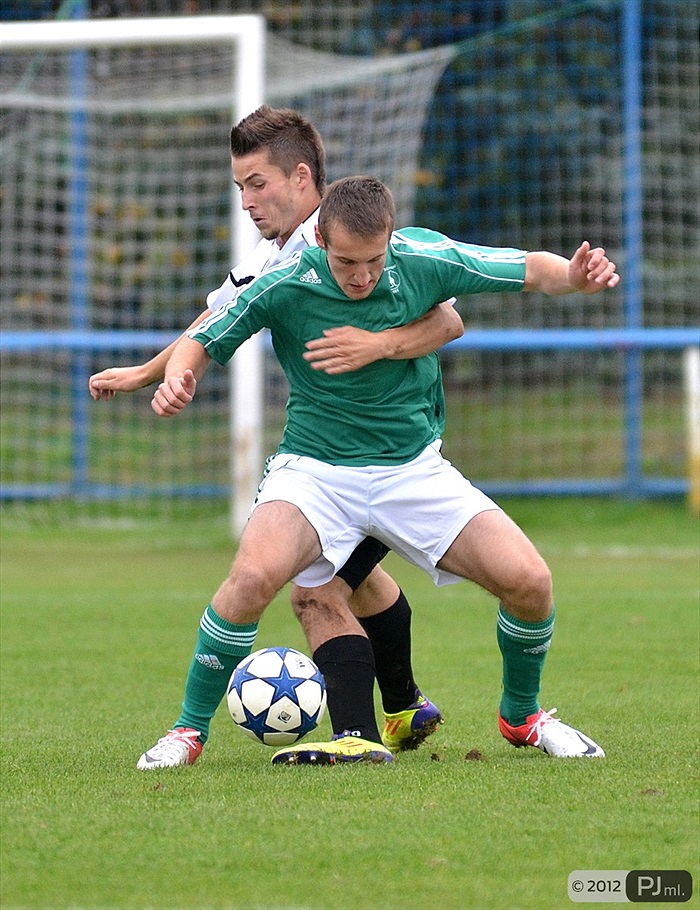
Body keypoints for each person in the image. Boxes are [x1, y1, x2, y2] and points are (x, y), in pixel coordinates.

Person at [151, 174, 619, 765]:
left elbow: (525, 268)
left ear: (391, 239)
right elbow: (206, 333)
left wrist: (573, 279)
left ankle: (521, 717)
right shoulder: (285, 282)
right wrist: (177, 376)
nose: (361, 276)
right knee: (250, 580)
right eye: (347, 261)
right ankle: (187, 733)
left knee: (531, 583)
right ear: (319, 238)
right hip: (314, 473)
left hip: (413, 473)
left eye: (374, 260)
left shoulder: (421, 258)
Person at [90, 107, 462, 769]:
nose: (247, 200)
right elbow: (217, 316)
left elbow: (449, 317)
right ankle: (405, 707)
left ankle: (250, 730)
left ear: (298, 177)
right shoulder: (275, 257)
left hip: (394, 454)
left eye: (256, 183)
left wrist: (382, 345)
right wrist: (152, 372)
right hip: (335, 455)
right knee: (353, 578)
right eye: (238, 188)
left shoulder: (351, 239)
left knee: (314, 590)